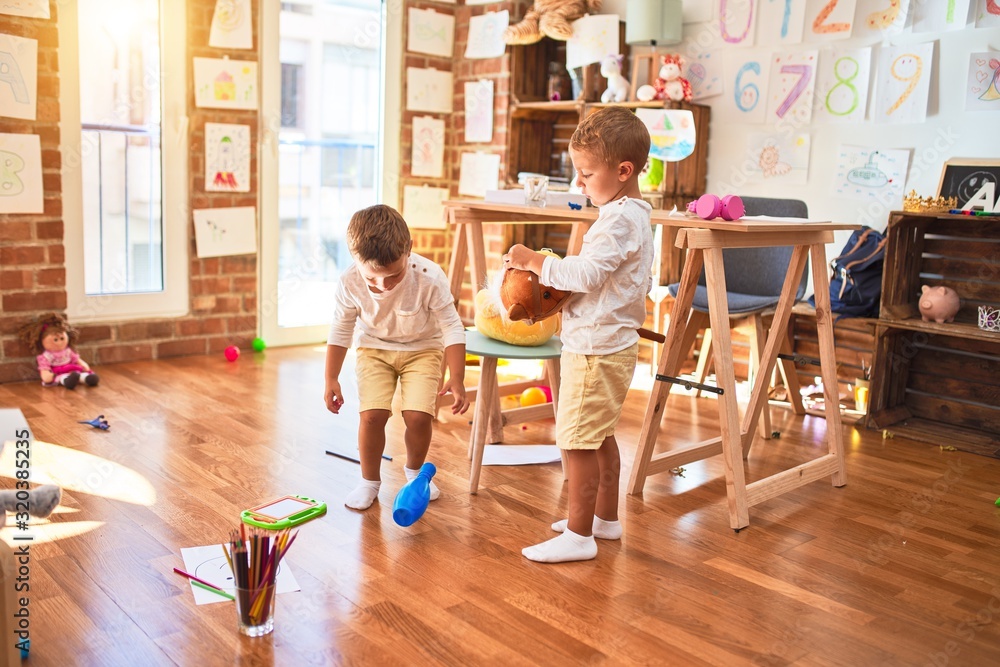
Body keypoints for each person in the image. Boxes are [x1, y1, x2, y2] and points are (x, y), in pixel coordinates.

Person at [503, 106, 653, 563]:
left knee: (576, 441)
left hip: (595, 350)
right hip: (607, 345)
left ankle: (579, 534)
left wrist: (534, 261)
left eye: (586, 174)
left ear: (623, 171)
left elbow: (585, 275)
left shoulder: (618, 220)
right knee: (600, 434)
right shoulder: (631, 213)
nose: (579, 184)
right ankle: (604, 520)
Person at [325, 205, 470, 511]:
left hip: (423, 349)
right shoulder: (348, 281)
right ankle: (368, 482)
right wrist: (331, 377)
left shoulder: (429, 277)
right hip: (373, 350)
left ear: (409, 250)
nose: (383, 286)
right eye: (372, 279)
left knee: (418, 416)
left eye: (392, 275)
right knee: (372, 415)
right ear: (355, 259)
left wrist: (456, 376)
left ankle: (416, 476)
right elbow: (341, 328)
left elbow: (452, 326)